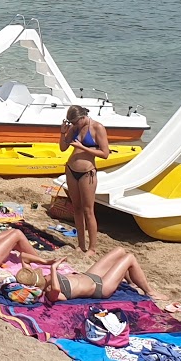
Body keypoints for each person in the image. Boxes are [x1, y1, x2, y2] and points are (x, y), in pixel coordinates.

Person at [60, 105, 109, 256]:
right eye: (71, 122)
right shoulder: (74, 128)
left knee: (88, 210)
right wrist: (63, 133)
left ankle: (92, 248)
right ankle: (81, 245)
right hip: (71, 170)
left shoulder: (97, 127)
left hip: (87, 173)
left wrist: (83, 147)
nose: (73, 125)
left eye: (75, 122)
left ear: (82, 117)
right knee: (77, 209)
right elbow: (63, 148)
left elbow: (105, 153)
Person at [43, 248, 164, 302]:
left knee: (120, 251)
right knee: (129, 257)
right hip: (101, 287)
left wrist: (46, 262)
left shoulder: (44, 279)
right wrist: (53, 268)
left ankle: (132, 282)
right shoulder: (51, 293)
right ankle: (150, 291)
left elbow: (26, 260)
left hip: (90, 275)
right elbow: (55, 292)